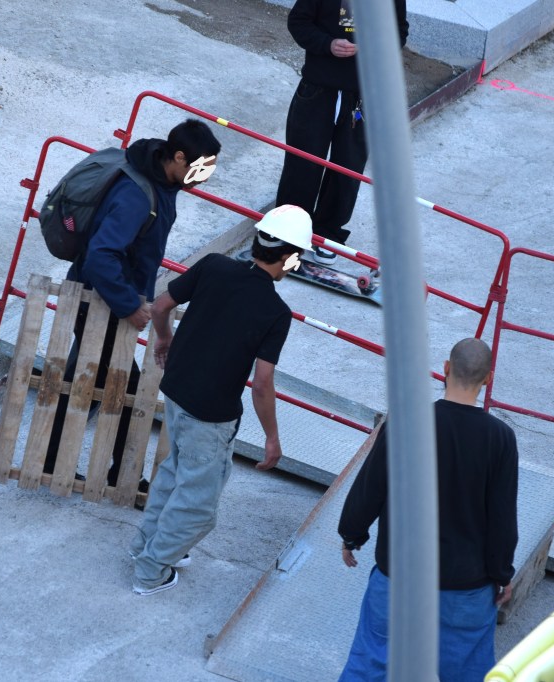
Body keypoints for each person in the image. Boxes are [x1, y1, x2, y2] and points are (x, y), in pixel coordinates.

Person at [129, 205, 313, 596]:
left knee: (175, 473)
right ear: (289, 257)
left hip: (176, 390)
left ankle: (144, 546)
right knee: (198, 504)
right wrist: (272, 438)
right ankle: (150, 571)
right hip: (210, 416)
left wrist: (163, 338)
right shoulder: (276, 312)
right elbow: (262, 384)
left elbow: (161, 305)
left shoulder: (214, 265)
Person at [43, 119, 222, 488]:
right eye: (199, 169)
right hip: (100, 301)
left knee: (84, 379)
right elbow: (101, 256)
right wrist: (130, 305)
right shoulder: (137, 195)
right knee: (121, 386)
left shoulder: (160, 179)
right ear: (176, 156)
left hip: (105, 298)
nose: (203, 178)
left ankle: (54, 459)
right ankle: (120, 474)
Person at [336, 338, 518, 681]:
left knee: (371, 664)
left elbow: (370, 487)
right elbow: (502, 518)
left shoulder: (406, 422)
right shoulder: (501, 438)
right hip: (466, 589)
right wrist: (503, 574)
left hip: (399, 579)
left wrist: (351, 535)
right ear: (488, 379)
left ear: (446, 369)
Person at [276, 0, 409, 264]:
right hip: (316, 89)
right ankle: (287, 230)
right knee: (302, 163)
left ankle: (328, 234)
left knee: (347, 168)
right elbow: (298, 22)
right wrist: (327, 44)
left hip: (363, 95)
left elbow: (398, 32)